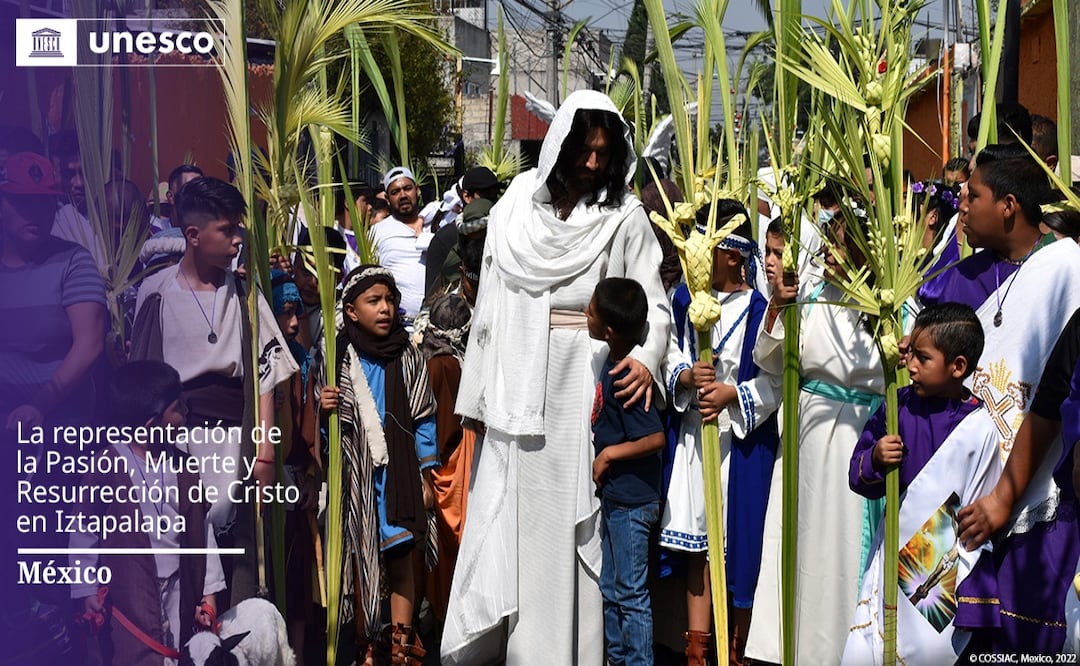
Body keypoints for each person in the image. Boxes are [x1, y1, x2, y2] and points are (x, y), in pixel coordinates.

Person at [442, 89, 670, 665]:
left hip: (587, 384)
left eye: (603, 153)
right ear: (560, 147)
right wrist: (481, 391)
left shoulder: (623, 214)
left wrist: (646, 358)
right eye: (583, 151)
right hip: (522, 381)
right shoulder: (518, 201)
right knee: (524, 522)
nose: (593, 164)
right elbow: (491, 298)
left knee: (581, 522)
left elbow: (654, 302)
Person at [918, 147, 1080, 653]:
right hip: (955, 485)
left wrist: (1007, 497)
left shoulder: (1064, 269)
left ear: (1008, 206)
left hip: (1039, 507)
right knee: (926, 628)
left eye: (973, 194)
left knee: (1019, 639)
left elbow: (1051, 402)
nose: (959, 204)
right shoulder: (957, 280)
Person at [129, 176, 298, 605]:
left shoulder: (244, 294)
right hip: (175, 442)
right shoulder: (156, 293)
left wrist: (264, 453)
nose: (238, 239)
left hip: (232, 440)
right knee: (182, 550)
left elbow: (264, 376)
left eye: (239, 228)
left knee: (234, 551)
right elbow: (142, 378)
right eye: (227, 230)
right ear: (193, 235)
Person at [745, 203, 890, 665]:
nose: (827, 253)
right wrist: (779, 306)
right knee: (807, 547)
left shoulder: (888, 302)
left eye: (837, 243)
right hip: (810, 442)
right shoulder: (806, 294)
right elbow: (768, 358)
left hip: (862, 440)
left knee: (850, 553)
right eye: (824, 242)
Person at [842, 303, 1001, 665]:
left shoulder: (980, 430)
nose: (910, 365)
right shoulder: (896, 407)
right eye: (910, 352)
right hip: (888, 561)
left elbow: (978, 526)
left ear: (957, 367)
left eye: (923, 358)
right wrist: (877, 458)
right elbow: (857, 474)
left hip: (936, 578)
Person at [661, 203, 780, 666]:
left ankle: (738, 650)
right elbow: (668, 350)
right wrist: (686, 378)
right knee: (701, 552)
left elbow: (777, 379)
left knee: (739, 551)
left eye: (705, 248)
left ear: (732, 254)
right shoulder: (683, 299)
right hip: (697, 440)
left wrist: (733, 393)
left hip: (740, 447)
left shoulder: (761, 309)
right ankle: (696, 651)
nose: (695, 256)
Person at [318, 266, 437, 664]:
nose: (385, 309)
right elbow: (324, 422)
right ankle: (367, 642)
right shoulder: (336, 356)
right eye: (374, 301)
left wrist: (425, 471)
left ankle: (403, 644)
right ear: (351, 311)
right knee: (359, 556)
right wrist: (324, 406)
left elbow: (423, 415)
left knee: (401, 555)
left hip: (399, 474)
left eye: (390, 300)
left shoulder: (408, 354)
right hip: (357, 477)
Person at [72, 361, 226, 666]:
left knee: (178, 652)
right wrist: (85, 587)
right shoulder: (107, 465)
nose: (185, 411)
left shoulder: (184, 467)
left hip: (180, 587)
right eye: (177, 408)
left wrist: (209, 592)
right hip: (128, 590)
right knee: (135, 655)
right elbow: (84, 527)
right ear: (153, 423)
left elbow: (203, 529)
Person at [584, 277, 665, 666]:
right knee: (613, 588)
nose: (586, 314)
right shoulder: (613, 362)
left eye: (592, 312)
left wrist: (610, 454)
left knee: (631, 593)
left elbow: (654, 438)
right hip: (617, 499)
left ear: (609, 331)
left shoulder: (627, 377)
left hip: (634, 503)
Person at [418, 292, 475, 622]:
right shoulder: (448, 363)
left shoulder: (426, 358)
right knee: (452, 544)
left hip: (438, 463)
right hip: (450, 463)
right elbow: (445, 427)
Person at [424, 166, 501, 296]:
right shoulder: (445, 239)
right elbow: (434, 297)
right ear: (466, 196)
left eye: (494, 196)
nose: (491, 202)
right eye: (485, 196)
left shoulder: (501, 233)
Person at [369, 166, 430, 324]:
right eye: (395, 192)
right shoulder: (377, 232)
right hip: (399, 324)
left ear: (417, 190)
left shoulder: (436, 222)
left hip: (438, 323)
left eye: (407, 188)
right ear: (387, 199)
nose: (403, 195)